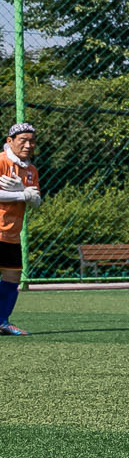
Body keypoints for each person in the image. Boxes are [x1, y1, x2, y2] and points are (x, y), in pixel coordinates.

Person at [0, 121, 38, 335]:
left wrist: (26, 191)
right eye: (23, 140)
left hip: (12, 234)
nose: (28, 145)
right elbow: (25, 196)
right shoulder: (1, 161)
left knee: (12, 277)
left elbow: (36, 200)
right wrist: (21, 194)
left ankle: (3, 322)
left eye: (32, 141)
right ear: (10, 141)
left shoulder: (31, 169)